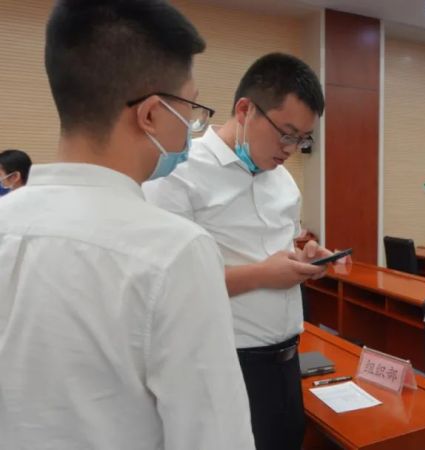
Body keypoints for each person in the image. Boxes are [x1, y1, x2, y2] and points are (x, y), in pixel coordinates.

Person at [0, 2, 255, 449]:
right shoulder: (175, 252)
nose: (193, 127)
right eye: (191, 109)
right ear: (151, 114)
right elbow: (215, 437)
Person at [143, 52, 336, 450]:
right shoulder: (180, 174)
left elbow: (284, 248)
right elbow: (166, 288)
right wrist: (264, 275)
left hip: (286, 363)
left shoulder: (283, 181)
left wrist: (305, 257)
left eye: (303, 139)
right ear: (246, 110)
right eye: (286, 133)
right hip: (222, 366)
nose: (291, 148)